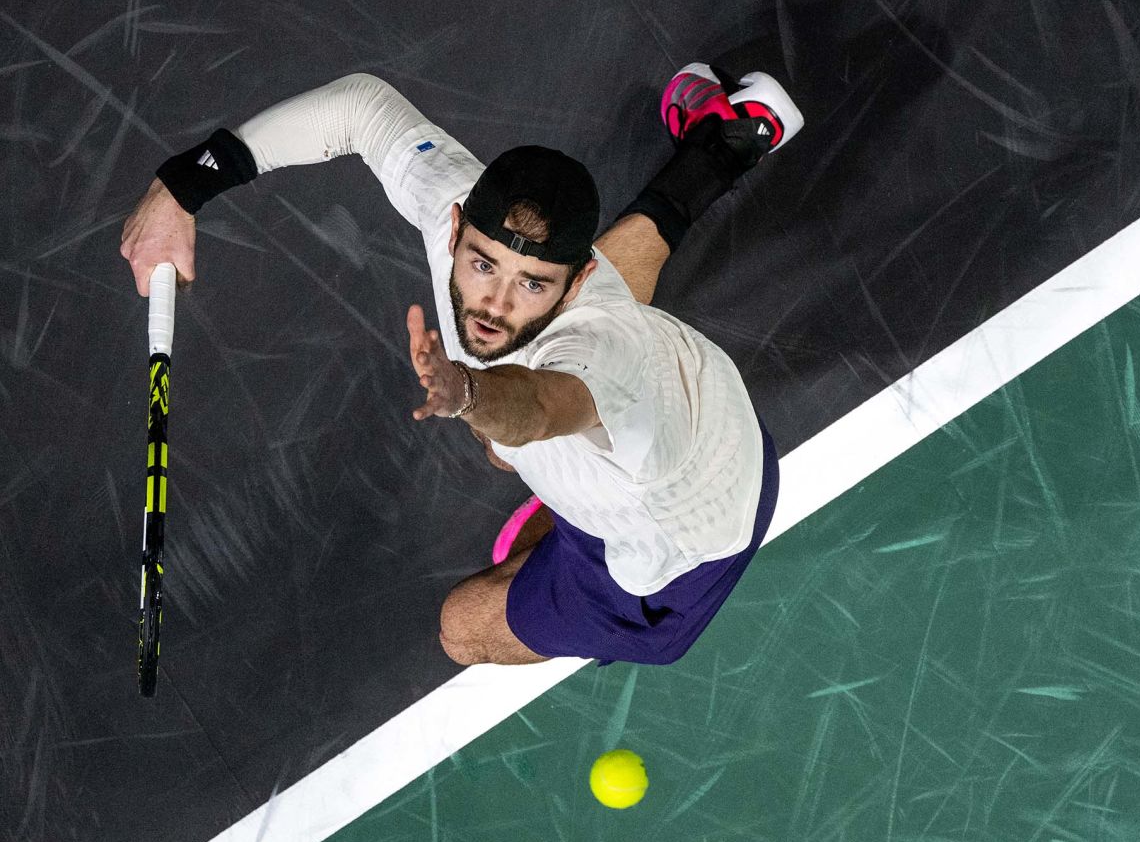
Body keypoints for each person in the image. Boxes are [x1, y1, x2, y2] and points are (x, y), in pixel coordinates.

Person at [119, 64, 803, 669]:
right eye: (482, 265)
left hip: (682, 536)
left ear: (577, 280)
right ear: (455, 227)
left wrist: (468, 391)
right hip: (677, 384)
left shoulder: (601, 356)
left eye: (532, 283)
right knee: (513, 436)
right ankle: (724, 143)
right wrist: (182, 187)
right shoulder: (461, 206)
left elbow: (538, 405)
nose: (494, 306)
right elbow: (358, 107)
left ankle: (723, 146)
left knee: (462, 628)